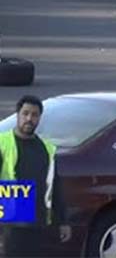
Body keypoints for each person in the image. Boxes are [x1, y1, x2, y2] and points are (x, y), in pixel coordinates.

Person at [0, 95, 70, 257]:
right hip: (10, 224)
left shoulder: (46, 149)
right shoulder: (3, 143)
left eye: (34, 115)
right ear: (18, 115)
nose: (29, 119)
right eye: (25, 113)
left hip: (37, 224)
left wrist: (62, 222)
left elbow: (55, 186)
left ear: (40, 118)